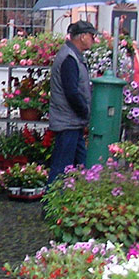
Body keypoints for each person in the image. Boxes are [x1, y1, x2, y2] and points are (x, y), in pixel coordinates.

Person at [47, 20, 97, 186]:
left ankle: (77, 203)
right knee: (61, 168)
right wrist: (85, 111)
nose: (93, 40)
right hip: (67, 122)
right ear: (82, 37)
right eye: (91, 36)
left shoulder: (73, 56)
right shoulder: (69, 58)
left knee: (83, 165)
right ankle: (51, 209)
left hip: (73, 122)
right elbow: (72, 92)